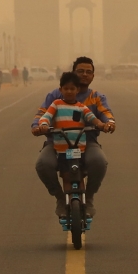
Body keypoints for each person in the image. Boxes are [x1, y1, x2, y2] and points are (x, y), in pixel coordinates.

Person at [32, 56, 116, 218]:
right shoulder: (55, 97)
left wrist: (109, 123)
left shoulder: (96, 97)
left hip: (87, 142)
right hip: (56, 142)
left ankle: (89, 196)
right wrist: (37, 126)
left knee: (99, 162)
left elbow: (105, 114)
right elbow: (42, 114)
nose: (84, 74)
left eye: (88, 72)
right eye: (80, 71)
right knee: (43, 164)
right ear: (72, 73)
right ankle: (60, 197)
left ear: (93, 76)